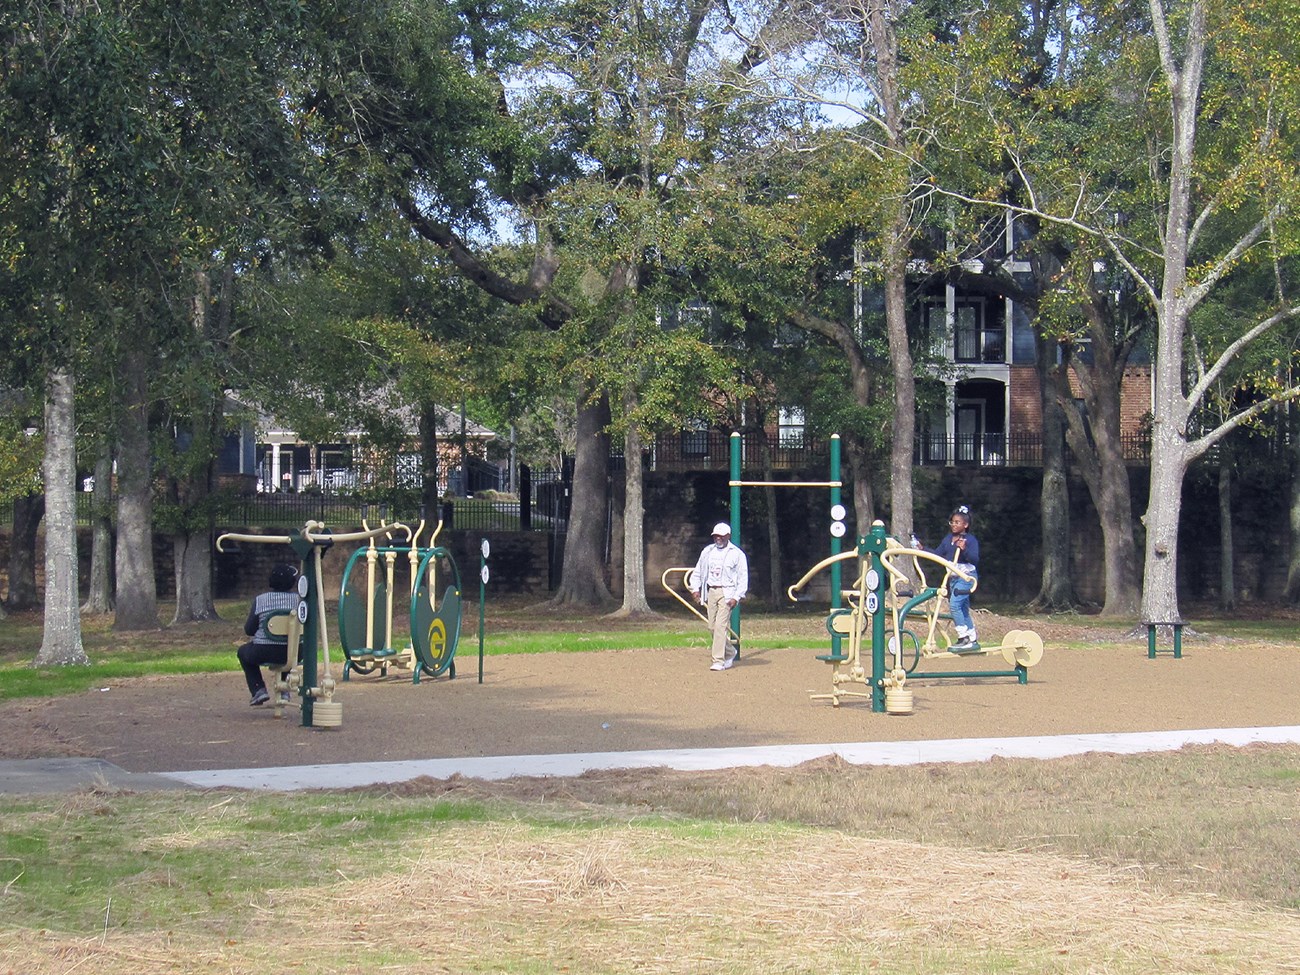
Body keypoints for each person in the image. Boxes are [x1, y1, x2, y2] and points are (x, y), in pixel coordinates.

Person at [237, 563, 300, 705]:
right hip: (294, 651)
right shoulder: (299, 600)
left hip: (263, 650)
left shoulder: (261, 600)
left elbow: (249, 629)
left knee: (243, 652)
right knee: (289, 649)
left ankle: (258, 689)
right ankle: (284, 688)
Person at [689, 522, 749, 671]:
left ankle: (718, 660)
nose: (718, 539)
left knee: (720, 626)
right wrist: (695, 588)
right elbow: (698, 571)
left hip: (727, 592)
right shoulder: (707, 551)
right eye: (716, 536)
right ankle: (730, 652)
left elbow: (743, 577)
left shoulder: (737, 554)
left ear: (728, 536)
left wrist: (737, 596)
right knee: (712, 627)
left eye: (721, 536)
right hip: (711, 592)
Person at [925, 504, 981, 652]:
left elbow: (975, 559)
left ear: (966, 525)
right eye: (952, 522)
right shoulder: (948, 539)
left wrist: (964, 549)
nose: (954, 525)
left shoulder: (970, 540)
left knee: (955, 605)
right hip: (953, 578)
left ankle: (963, 637)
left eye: (958, 522)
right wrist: (921, 548)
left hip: (967, 577)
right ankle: (972, 638)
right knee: (962, 608)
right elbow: (937, 554)